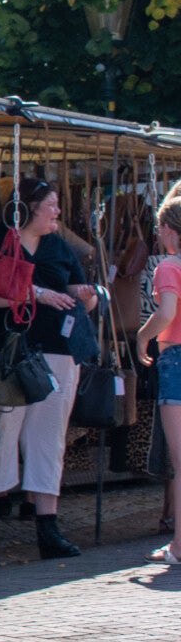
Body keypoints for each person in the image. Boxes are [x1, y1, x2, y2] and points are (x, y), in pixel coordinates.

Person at [0, 178, 97, 566]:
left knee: (49, 440)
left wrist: (85, 297)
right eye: (51, 205)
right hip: (5, 352)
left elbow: (78, 299)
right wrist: (34, 293)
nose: (58, 212)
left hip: (57, 353)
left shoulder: (60, 247)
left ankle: (47, 528)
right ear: (28, 208)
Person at [135, 186, 181, 564]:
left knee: (180, 463)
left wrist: (142, 336)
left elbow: (166, 314)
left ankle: (179, 546)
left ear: (168, 230)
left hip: (176, 358)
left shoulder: (168, 266)